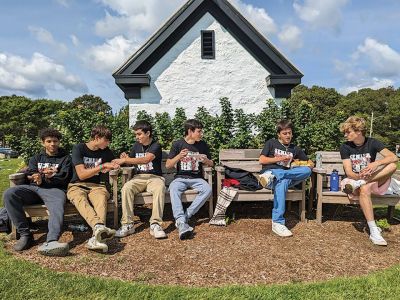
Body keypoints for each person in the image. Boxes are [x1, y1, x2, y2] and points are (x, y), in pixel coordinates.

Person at [4, 128, 72, 256]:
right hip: (34, 189)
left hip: (55, 190)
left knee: (57, 206)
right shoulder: (36, 158)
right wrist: (35, 177)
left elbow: (64, 177)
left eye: (55, 141)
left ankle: (51, 241)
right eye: (49, 141)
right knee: (9, 194)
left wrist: (44, 179)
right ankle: (25, 234)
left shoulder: (65, 159)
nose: (52, 144)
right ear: (43, 143)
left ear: (59, 142)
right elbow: (31, 173)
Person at [339, 116, 398, 246]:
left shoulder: (373, 143)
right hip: (354, 180)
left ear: (358, 131)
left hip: (371, 180)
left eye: (348, 132)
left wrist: (375, 164)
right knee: (363, 187)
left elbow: (393, 157)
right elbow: (349, 172)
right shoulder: (345, 147)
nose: (345, 135)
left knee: (393, 165)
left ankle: (362, 183)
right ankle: (373, 230)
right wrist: (359, 178)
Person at [67, 125, 120, 253]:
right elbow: (81, 174)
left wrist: (115, 166)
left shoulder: (106, 151)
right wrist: (102, 167)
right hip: (77, 185)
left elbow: (113, 163)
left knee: (101, 199)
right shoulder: (79, 148)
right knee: (79, 198)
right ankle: (99, 228)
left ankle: (96, 238)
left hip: (98, 186)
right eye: (106, 140)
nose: (108, 143)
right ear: (97, 138)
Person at [113, 120, 167, 239]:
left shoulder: (156, 145)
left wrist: (125, 160)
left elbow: (146, 159)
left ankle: (155, 224)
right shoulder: (136, 146)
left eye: (139, 134)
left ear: (148, 133)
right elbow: (131, 162)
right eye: (136, 134)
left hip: (154, 177)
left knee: (160, 187)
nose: (137, 137)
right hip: (138, 177)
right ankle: (127, 224)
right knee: (126, 188)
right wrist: (125, 158)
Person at [258, 119, 313, 237]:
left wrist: (296, 164)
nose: (288, 136)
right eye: (285, 133)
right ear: (279, 134)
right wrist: (279, 159)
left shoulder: (295, 149)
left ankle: (279, 174)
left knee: (307, 171)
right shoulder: (271, 143)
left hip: (285, 176)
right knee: (281, 182)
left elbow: (310, 163)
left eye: (289, 133)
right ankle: (278, 223)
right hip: (268, 178)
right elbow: (261, 160)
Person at [166, 119, 213, 240]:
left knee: (207, 189)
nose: (201, 134)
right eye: (199, 131)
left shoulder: (202, 145)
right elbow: (168, 165)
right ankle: (181, 222)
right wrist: (179, 156)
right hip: (180, 178)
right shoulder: (177, 144)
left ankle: (184, 217)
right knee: (174, 188)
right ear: (190, 131)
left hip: (197, 178)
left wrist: (205, 160)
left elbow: (211, 163)